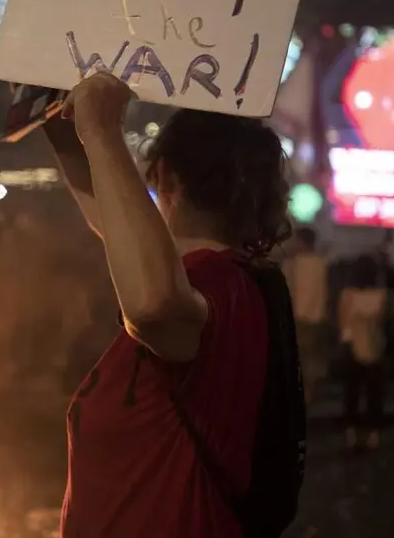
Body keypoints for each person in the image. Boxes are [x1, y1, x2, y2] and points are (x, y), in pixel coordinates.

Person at [45, 73, 303, 538]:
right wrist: (58, 124)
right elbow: (117, 223)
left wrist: (103, 131)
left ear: (164, 177)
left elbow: (154, 305)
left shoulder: (217, 283)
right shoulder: (239, 280)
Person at [338, 254, 389, 450]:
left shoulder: (347, 294)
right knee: (374, 393)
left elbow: (343, 323)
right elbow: (384, 322)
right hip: (375, 347)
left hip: (352, 347)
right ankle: (373, 435)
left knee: (352, 392)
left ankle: (351, 433)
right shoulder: (381, 296)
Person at [282, 226, 329, 404]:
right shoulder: (321, 263)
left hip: (297, 318)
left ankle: (300, 396)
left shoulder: (293, 263)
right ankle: (309, 394)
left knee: (298, 360)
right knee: (312, 360)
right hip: (316, 318)